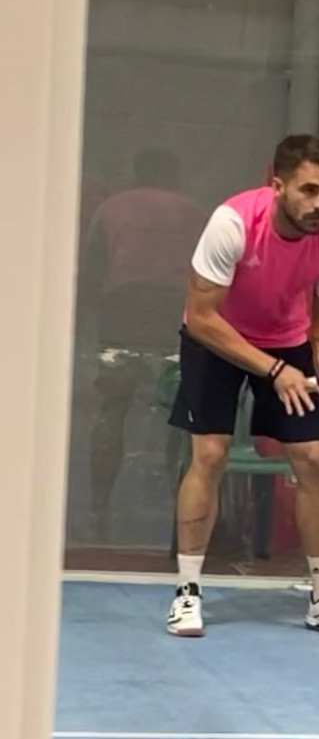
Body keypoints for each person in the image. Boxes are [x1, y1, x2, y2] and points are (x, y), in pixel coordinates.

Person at [167, 134, 319, 641]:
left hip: (286, 337)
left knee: (313, 459)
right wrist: (274, 371)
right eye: (308, 190)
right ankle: (187, 593)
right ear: (277, 185)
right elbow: (201, 316)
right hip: (216, 338)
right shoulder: (233, 223)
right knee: (210, 453)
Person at [79, 150, 205, 539]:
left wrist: (95, 315)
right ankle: (181, 506)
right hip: (173, 311)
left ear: (136, 173)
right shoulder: (194, 213)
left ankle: (99, 507)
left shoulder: (112, 208)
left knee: (111, 409)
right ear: (174, 174)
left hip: (124, 309)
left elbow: (91, 273)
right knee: (179, 415)